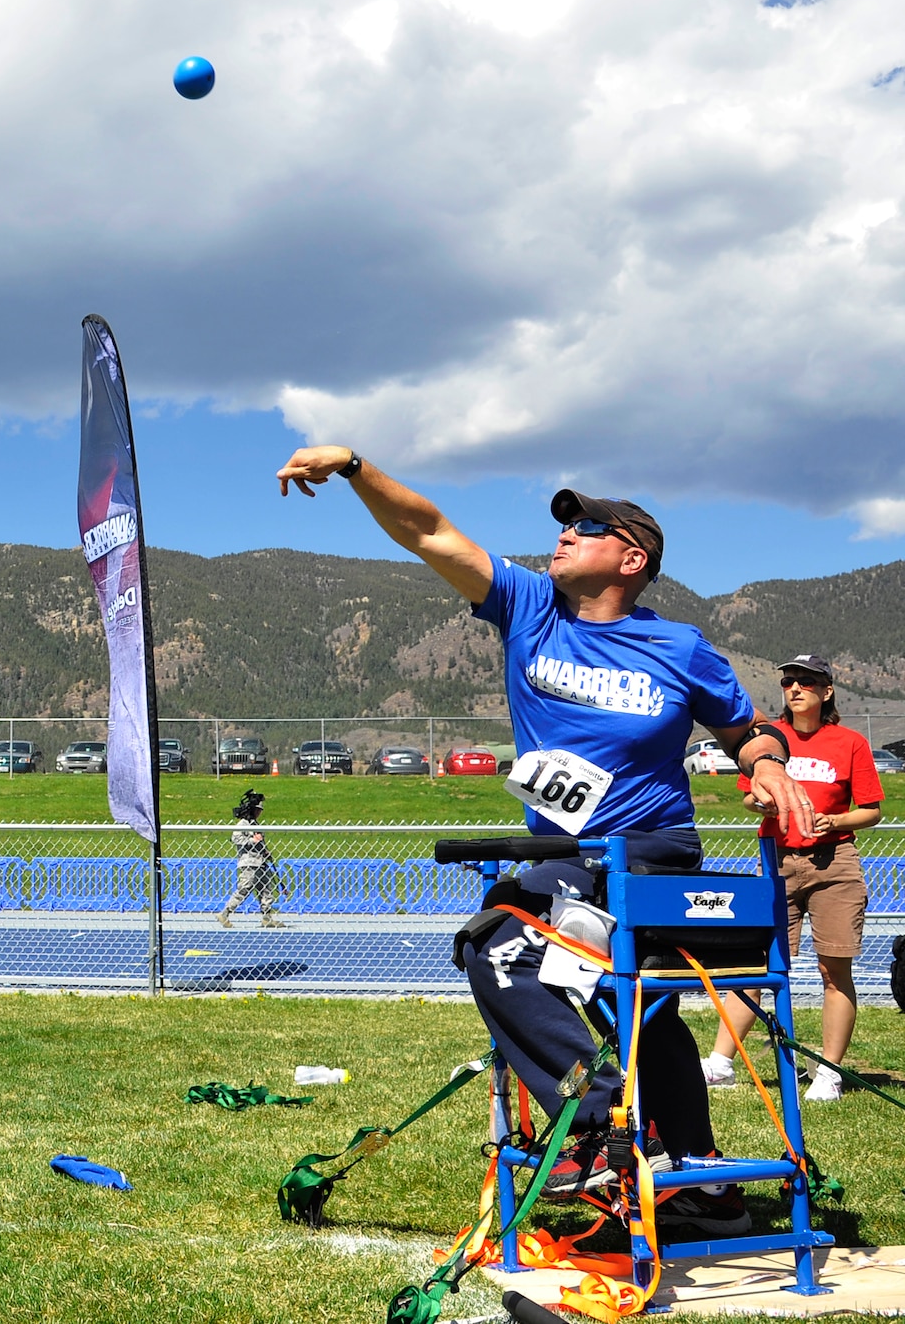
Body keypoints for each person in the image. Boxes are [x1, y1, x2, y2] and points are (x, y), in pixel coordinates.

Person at [276, 444, 812, 1238]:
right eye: (562, 523)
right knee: (628, 1000)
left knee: (500, 944)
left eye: (584, 525)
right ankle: (693, 1171)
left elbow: (747, 730)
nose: (561, 534)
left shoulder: (680, 647)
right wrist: (356, 467)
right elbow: (428, 532)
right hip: (564, 857)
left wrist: (770, 765)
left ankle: (597, 1132)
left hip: (655, 848)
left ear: (631, 557)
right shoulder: (528, 605)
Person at [705, 655, 882, 1102]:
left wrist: (837, 820)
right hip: (778, 861)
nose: (795, 688)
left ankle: (828, 1072)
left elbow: (873, 810)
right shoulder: (769, 739)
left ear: (827, 692)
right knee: (757, 965)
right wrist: (761, 804)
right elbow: (748, 798)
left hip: (833, 862)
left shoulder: (850, 742)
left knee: (833, 968)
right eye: (788, 682)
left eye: (807, 682)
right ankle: (721, 1062)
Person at [220, 790, 284, 928]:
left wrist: (264, 850)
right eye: (258, 810)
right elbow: (236, 838)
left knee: (266, 889)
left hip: (260, 862)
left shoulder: (255, 824)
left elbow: (259, 841)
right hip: (249, 862)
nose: (260, 812)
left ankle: (267, 917)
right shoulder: (243, 824)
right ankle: (225, 913)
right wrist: (252, 840)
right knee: (245, 888)